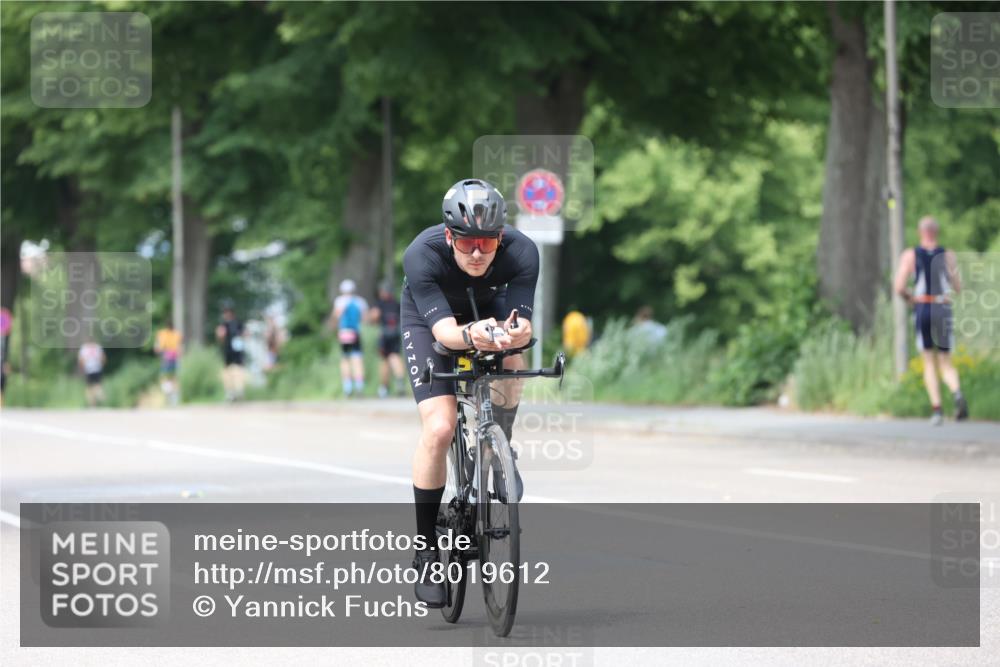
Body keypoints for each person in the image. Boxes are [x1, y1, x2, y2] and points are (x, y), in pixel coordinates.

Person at [401, 178, 538, 607]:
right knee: (440, 428)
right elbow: (444, 333)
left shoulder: (521, 252)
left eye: (487, 242)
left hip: (490, 309)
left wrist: (513, 333)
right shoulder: (422, 255)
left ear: (500, 236)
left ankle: (500, 449)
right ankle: (426, 552)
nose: (477, 253)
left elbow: (524, 325)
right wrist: (472, 333)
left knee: (514, 357)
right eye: (466, 243)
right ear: (449, 237)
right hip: (432, 321)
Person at [893, 215, 968, 425]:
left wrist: (910, 298)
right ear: (937, 232)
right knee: (946, 360)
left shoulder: (910, 255)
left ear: (920, 232)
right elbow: (958, 286)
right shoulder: (948, 255)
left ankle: (937, 409)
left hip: (923, 306)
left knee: (928, 360)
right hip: (942, 306)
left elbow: (899, 286)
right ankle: (957, 392)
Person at [331, 279, 368, 396]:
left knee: (345, 360)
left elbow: (336, 316)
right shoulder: (360, 302)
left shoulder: (340, 301)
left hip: (344, 332)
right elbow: (364, 318)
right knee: (357, 359)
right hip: (356, 332)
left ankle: (347, 387)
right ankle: (359, 386)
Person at [369, 280, 405, 397]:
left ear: (382, 292)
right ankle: (400, 382)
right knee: (395, 357)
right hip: (396, 333)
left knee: (384, 361)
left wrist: (372, 321)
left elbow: (374, 316)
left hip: (384, 334)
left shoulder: (379, 303)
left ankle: (383, 388)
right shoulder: (396, 303)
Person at [215, 305, 246, 402]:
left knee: (238, 371)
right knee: (228, 372)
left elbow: (244, 334)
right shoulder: (224, 324)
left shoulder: (238, 323)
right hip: (228, 350)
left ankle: (239, 391)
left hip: (237, 350)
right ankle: (230, 392)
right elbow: (221, 337)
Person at [154, 319, 183, 405]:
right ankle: (173, 398)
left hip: (167, 357)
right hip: (174, 357)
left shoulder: (163, 334)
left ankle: (169, 395)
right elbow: (180, 348)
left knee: (166, 377)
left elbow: (158, 347)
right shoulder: (176, 334)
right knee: (173, 377)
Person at [77, 338, 106, 407]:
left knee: (89, 388)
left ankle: (93, 403)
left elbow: (81, 360)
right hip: (97, 369)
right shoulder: (98, 347)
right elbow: (103, 358)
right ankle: (100, 396)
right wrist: (101, 365)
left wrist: (82, 368)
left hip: (88, 369)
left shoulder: (84, 348)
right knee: (97, 385)